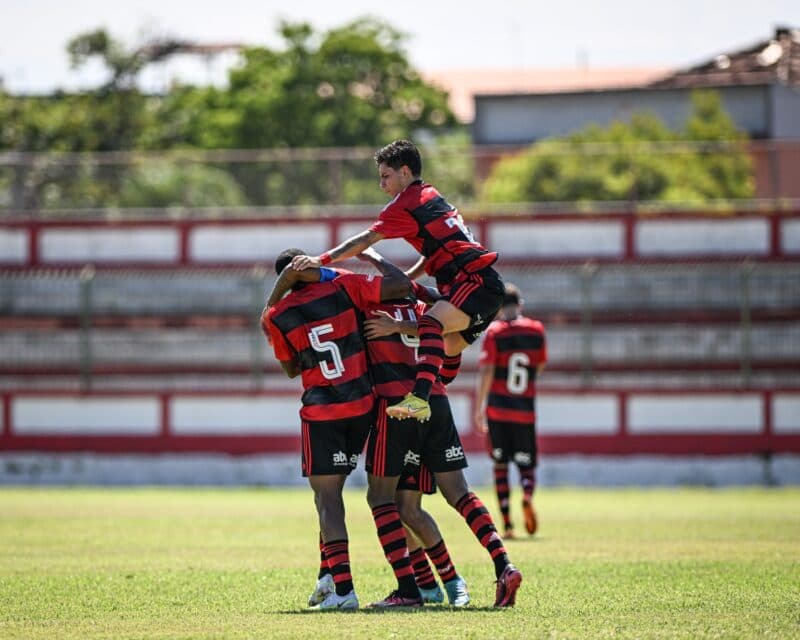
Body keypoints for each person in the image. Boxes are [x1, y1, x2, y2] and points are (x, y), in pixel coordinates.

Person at [290, 139, 505, 423]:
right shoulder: (430, 196)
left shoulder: (405, 204)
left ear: (405, 172)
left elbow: (365, 238)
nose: (382, 184)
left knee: (430, 323)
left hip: (474, 282)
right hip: (482, 287)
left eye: (385, 176)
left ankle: (420, 399)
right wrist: (407, 279)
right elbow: (434, 254)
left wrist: (321, 260)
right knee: (447, 344)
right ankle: (437, 396)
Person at [359, 249, 522, 608]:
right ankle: (496, 566)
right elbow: (449, 361)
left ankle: (412, 589)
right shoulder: (431, 311)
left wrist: (371, 258)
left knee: (383, 500)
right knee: (441, 499)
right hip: (437, 402)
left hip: (397, 407)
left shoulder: (370, 308)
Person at [262, 248, 413, 611]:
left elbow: (290, 368)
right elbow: (401, 285)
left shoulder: (279, 315)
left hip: (323, 412)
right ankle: (326, 579)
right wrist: (355, 264)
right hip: (362, 406)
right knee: (330, 496)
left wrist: (280, 293)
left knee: (327, 500)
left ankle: (344, 590)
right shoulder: (344, 286)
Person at [474, 283, 547, 538]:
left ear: (498, 308)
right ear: (520, 305)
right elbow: (538, 367)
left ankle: (507, 525)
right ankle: (527, 494)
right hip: (525, 410)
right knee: (527, 466)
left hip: (498, 411)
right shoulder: (536, 330)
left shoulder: (495, 333)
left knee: (500, 465)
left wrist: (480, 407)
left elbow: (487, 370)